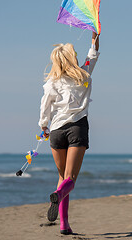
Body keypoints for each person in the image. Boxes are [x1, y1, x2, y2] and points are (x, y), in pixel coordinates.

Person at [38, 32, 100, 235]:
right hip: (77, 128)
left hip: (56, 131)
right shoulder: (84, 74)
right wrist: (95, 36)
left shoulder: (51, 83)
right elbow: (93, 54)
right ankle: (58, 195)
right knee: (70, 179)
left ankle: (65, 225)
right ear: (71, 58)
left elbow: (44, 106)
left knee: (62, 176)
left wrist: (43, 126)